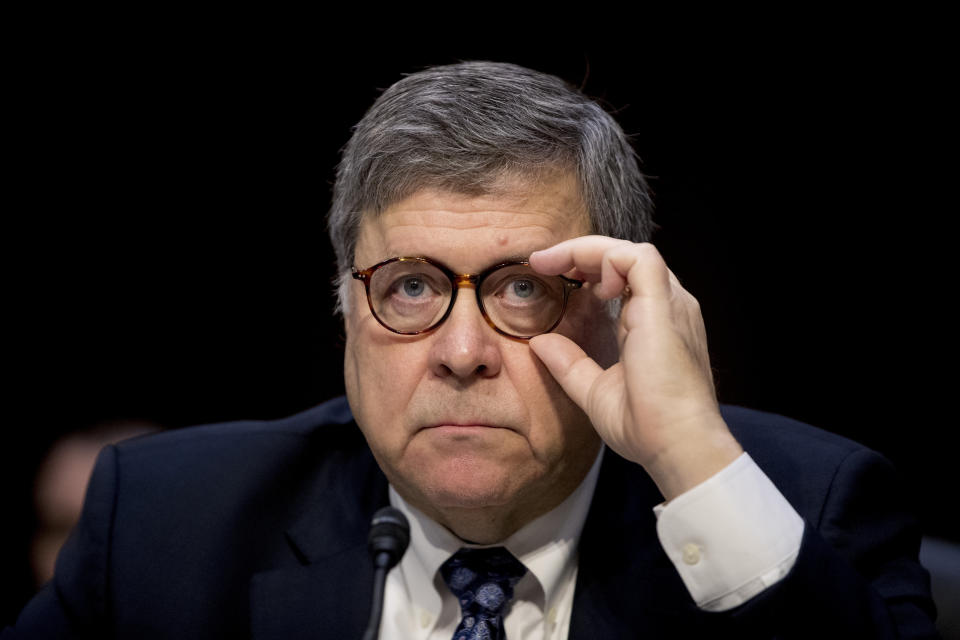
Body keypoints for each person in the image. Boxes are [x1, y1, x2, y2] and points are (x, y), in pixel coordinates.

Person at [3, 61, 938, 639]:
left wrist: (690, 453)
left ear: (615, 310)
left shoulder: (806, 507)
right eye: (410, 285)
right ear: (344, 302)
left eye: (522, 287)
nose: (460, 351)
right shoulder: (167, 522)